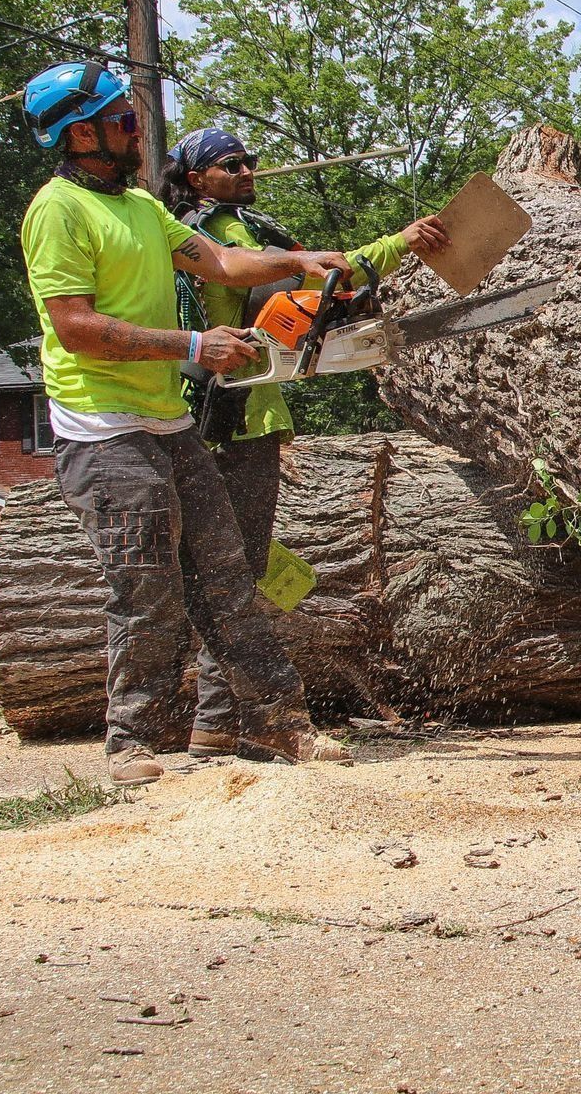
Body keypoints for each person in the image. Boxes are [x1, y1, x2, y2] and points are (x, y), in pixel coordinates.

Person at [17, 59, 355, 787]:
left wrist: (296, 260)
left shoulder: (142, 207)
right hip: (104, 432)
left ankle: (276, 725)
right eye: (124, 120)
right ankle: (131, 739)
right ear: (82, 134)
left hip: (168, 423)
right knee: (145, 585)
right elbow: (75, 327)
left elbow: (225, 263)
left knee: (230, 575)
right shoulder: (57, 211)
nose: (137, 131)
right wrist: (194, 347)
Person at [156, 128, 447, 755]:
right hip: (220, 413)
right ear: (196, 177)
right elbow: (274, 270)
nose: (244, 170)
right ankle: (221, 716)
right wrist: (311, 265)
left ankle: (214, 719)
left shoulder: (253, 230)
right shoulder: (204, 235)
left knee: (239, 570)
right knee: (232, 572)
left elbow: (328, 274)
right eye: (228, 165)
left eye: (249, 162)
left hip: (252, 409)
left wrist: (401, 245)